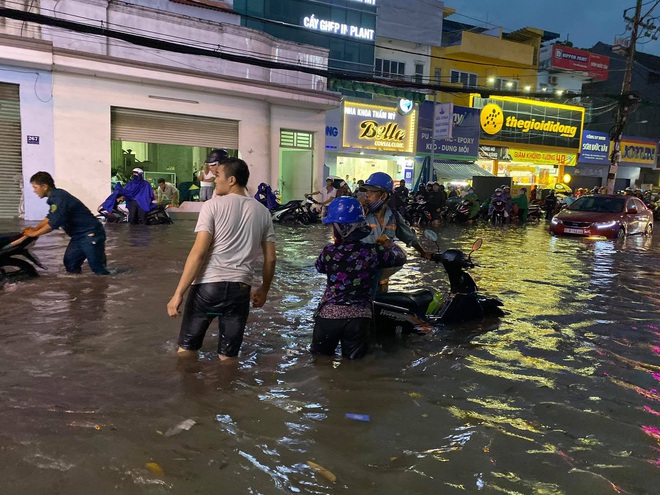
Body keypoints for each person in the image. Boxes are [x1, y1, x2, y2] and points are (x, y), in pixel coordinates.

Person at [167, 157, 276, 362]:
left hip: (207, 288)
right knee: (228, 357)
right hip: (240, 289)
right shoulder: (263, 212)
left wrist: (178, 293)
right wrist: (264, 289)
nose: (215, 181)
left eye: (218, 176)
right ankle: (227, 390)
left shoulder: (211, 206)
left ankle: (189, 392)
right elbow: (270, 259)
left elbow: (199, 252)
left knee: (187, 351)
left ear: (232, 179)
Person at [312, 196, 406, 359]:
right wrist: (388, 243)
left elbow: (319, 267)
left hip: (328, 318)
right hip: (358, 319)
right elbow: (400, 257)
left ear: (341, 228)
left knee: (320, 363)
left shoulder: (329, 252)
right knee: (354, 368)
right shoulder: (373, 252)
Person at [23, 171, 110, 275]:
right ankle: (78, 287)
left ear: (44, 186)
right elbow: (50, 217)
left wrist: (34, 234)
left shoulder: (59, 198)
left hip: (91, 234)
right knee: (70, 263)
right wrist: (35, 229)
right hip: (78, 236)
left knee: (98, 269)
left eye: (35, 187)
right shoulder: (55, 197)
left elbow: (53, 224)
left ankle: (106, 286)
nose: (34, 191)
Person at [360, 172, 431, 292]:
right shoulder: (359, 213)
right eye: (366, 191)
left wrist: (423, 253)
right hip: (360, 276)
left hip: (381, 277)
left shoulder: (394, 216)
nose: (367, 195)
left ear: (384, 195)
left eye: (372, 191)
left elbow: (409, 237)